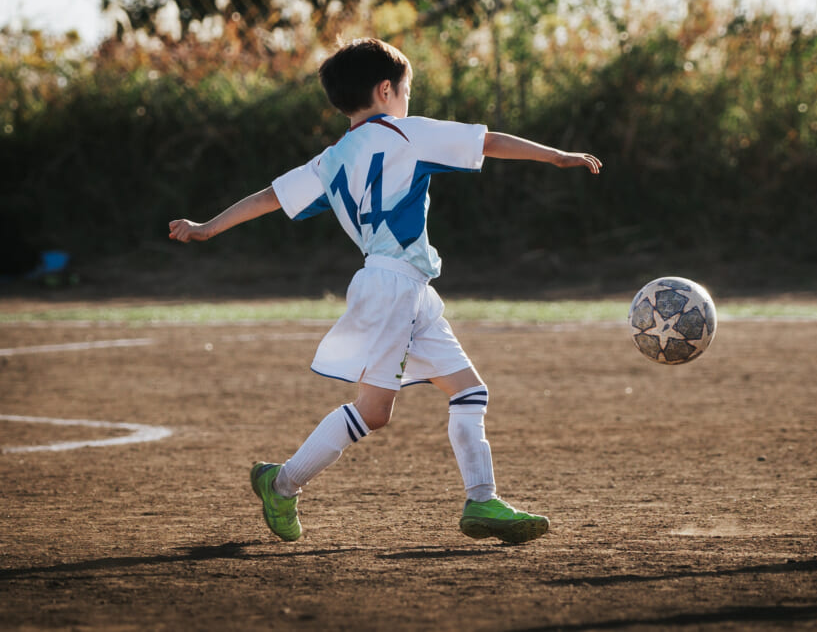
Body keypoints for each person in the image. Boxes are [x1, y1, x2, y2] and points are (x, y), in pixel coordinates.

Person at [168, 37, 601, 544]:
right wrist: (556, 157)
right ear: (386, 89)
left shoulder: (332, 159)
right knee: (374, 412)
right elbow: (487, 142)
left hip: (406, 287)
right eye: (408, 89)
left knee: (468, 390)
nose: (408, 99)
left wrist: (206, 227)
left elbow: (271, 196)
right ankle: (280, 483)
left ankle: (482, 501)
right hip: (392, 284)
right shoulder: (406, 132)